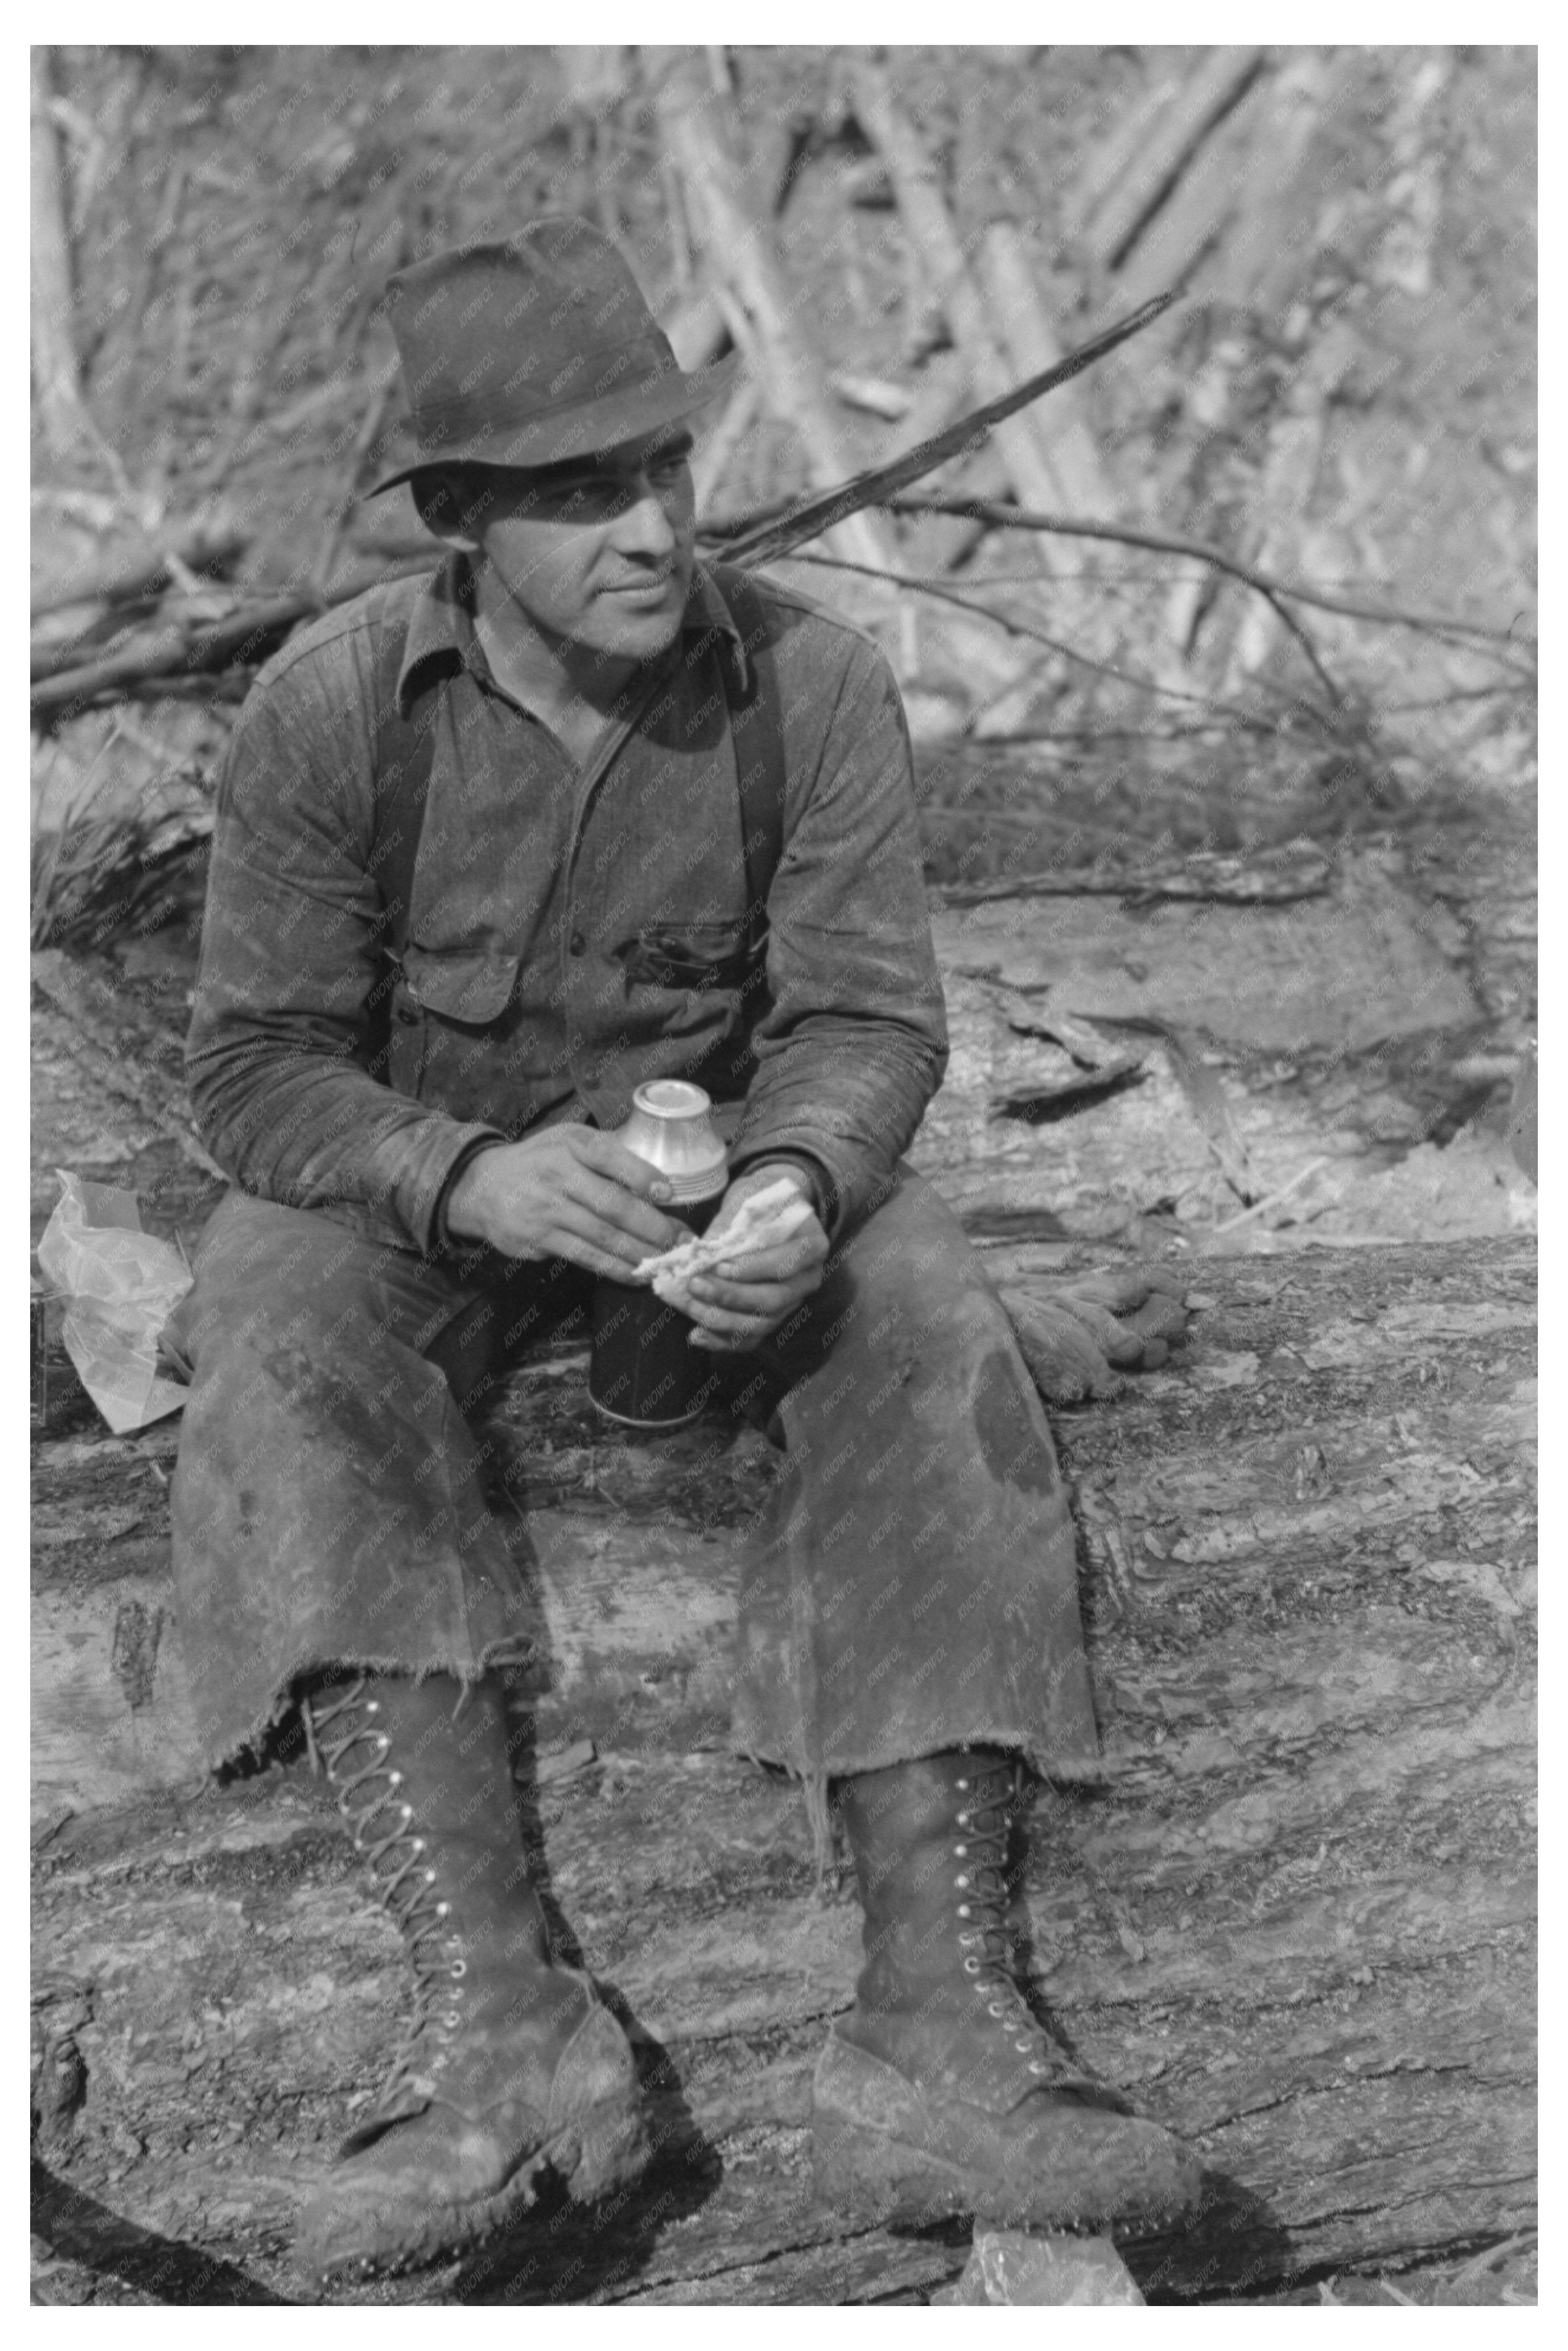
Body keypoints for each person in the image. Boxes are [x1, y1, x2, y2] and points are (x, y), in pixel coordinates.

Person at [169, 219, 1200, 2287]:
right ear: (462, 524)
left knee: (916, 1293)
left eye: (662, 468)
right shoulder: (331, 708)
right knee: (271, 1308)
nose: (647, 528)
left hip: (715, 1185)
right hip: (429, 1197)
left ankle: (940, 2035)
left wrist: (801, 1185)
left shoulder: (809, 682)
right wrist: (460, 1177)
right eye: (576, 493)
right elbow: (255, 1070)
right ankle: (511, 2047)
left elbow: (866, 1023)